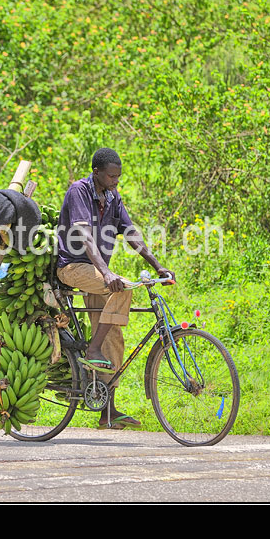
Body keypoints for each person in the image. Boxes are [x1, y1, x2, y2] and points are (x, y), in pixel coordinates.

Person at [56, 147, 174, 430]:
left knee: (114, 338)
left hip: (96, 273)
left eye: (118, 177)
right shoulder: (79, 191)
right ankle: (92, 349)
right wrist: (106, 272)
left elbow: (131, 233)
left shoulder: (112, 197)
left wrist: (157, 265)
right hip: (72, 267)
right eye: (111, 176)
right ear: (96, 172)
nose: (115, 181)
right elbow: (83, 235)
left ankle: (108, 411)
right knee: (121, 290)